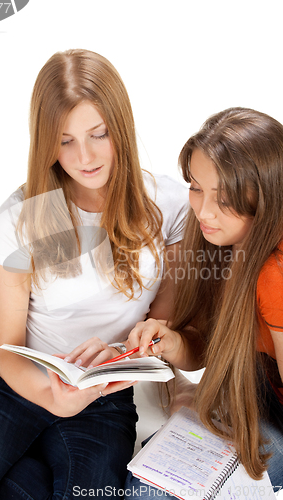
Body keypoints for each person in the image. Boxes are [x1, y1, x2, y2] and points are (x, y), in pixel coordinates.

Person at [0, 49, 188, 500]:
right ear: (46, 143)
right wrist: (50, 394)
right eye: (65, 141)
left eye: (99, 134)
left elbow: (160, 327)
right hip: (14, 380)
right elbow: (6, 348)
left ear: (121, 127)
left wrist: (120, 357)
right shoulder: (21, 217)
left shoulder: (169, 206)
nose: (85, 156)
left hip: (102, 396)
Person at [123, 107, 283, 498]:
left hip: (272, 414)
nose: (203, 211)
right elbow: (208, 345)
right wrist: (173, 341)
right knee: (142, 479)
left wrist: (211, 421)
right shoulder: (219, 242)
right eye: (196, 187)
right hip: (248, 395)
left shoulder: (274, 273)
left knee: (157, 490)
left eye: (224, 197)